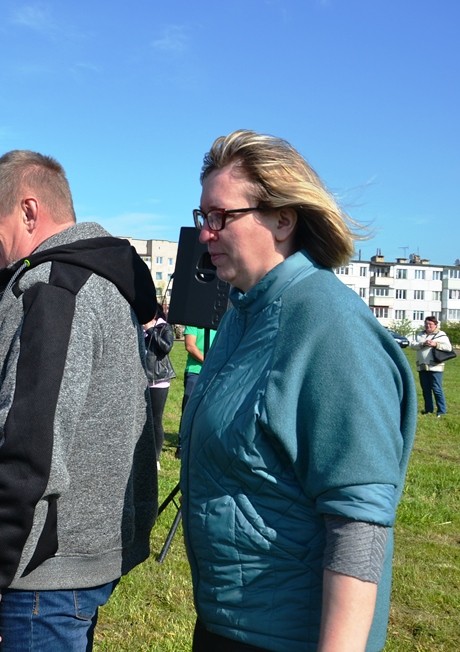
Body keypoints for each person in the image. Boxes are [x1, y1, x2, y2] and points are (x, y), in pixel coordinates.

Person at [0, 150, 158, 650]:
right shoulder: (90, 282)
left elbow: (31, 451)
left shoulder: (56, 290)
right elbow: (70, 414)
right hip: (66, 560)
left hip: (40, 573)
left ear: (28, 210)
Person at [180, 131, 417, 652]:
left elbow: (358, 519)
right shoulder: (244, 313)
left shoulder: (330, 326)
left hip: (288, 638)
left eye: (221, 217)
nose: (205, 233)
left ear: (283, 220)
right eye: (202, 217)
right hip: (229, 624)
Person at [143, 303, 175, 464]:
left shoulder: (164, 328)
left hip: (158, 380)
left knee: (155, 419)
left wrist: (151, 330)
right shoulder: (138, 328)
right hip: (141, 379)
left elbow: (166, 347)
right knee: (141, 419)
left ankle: (155, 458)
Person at [410, 316, 452, 417]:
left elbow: (448, 347)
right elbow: (412, 345)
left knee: (436, 389)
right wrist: (422, 344)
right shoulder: (420, 334)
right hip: (422, 365)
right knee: (426, 389)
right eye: (426, 323)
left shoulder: (441, 334)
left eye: (430, 324)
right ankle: (428, 410)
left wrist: (435, 344)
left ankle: (441, 411)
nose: (428, 326)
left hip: (435, 366)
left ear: (435, 325)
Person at [181, 325, 216, 414]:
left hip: (215, 373)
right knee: (189, 410)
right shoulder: (194, 322)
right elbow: (190, 346)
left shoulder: (222, 323)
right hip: (195, 372)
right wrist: (208, 362)